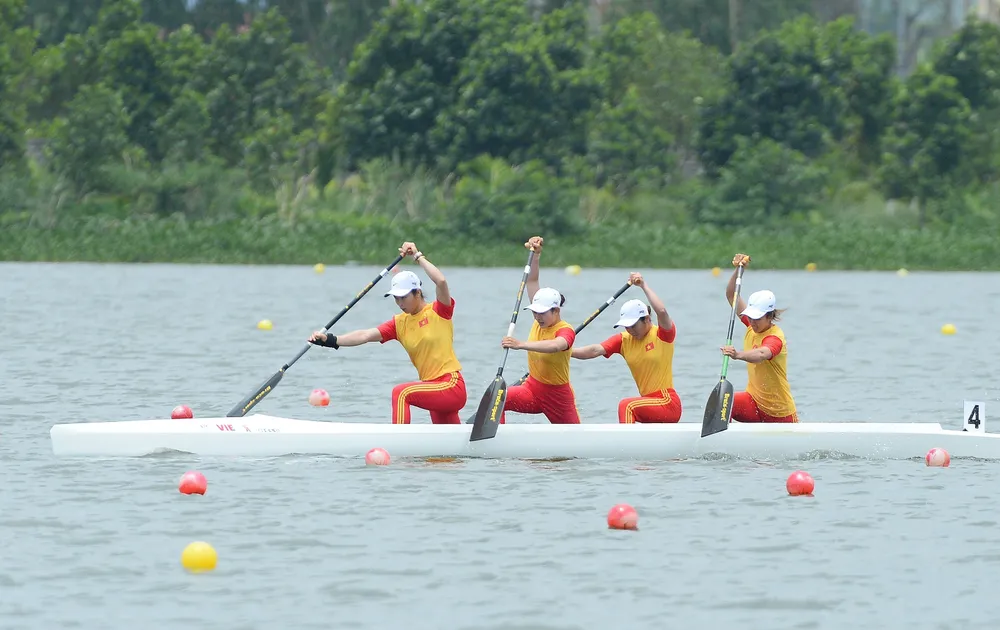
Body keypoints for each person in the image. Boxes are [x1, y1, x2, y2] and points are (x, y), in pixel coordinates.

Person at [307, 242, 467, 424]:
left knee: (401, 393)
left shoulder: (439, 311)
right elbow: (365, 335)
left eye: (403, 297)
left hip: (450, 385)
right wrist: (329, 340)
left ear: (417, 293)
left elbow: (441, 281)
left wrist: (417, 256)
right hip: (432, 389)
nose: (399, 303)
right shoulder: (399, 323)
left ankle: (399, 443)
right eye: (396, 298)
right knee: (444, 449)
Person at [571, 272, 681, 423]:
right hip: (648, 403)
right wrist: (564, 351)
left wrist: (643, 285)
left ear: (647, 319)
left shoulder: (662, 335)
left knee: (627, 405)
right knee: (630, 406)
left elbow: (661, 312)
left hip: (667, 402)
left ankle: (624, 445)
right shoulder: (624, 340)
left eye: (632, 325)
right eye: (626, 326)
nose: (629, 330)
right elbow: (595, 350)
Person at [497, 235, 581, 424]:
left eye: (542, 313)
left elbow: (556, 345)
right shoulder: (539, 319)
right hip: (532, 390)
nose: (537, 316)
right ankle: (496, 441)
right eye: (535, 312)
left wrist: (521, 345)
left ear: (556, 310)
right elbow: (532, 281)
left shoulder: (565, 330)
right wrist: (536, 255)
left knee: (572, 449)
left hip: (558, 397)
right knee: (498, 397)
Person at [720, 253, 798, 423]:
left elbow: (762, 354)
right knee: (724, 402)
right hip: (754, 404)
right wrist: (738, 270)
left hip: (780, 412)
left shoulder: (775, 337)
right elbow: (731, 294)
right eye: (751, 317)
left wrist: (737, 355)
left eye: (757, 318)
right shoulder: (751, 326)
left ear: (769, 316)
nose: (752, 322)